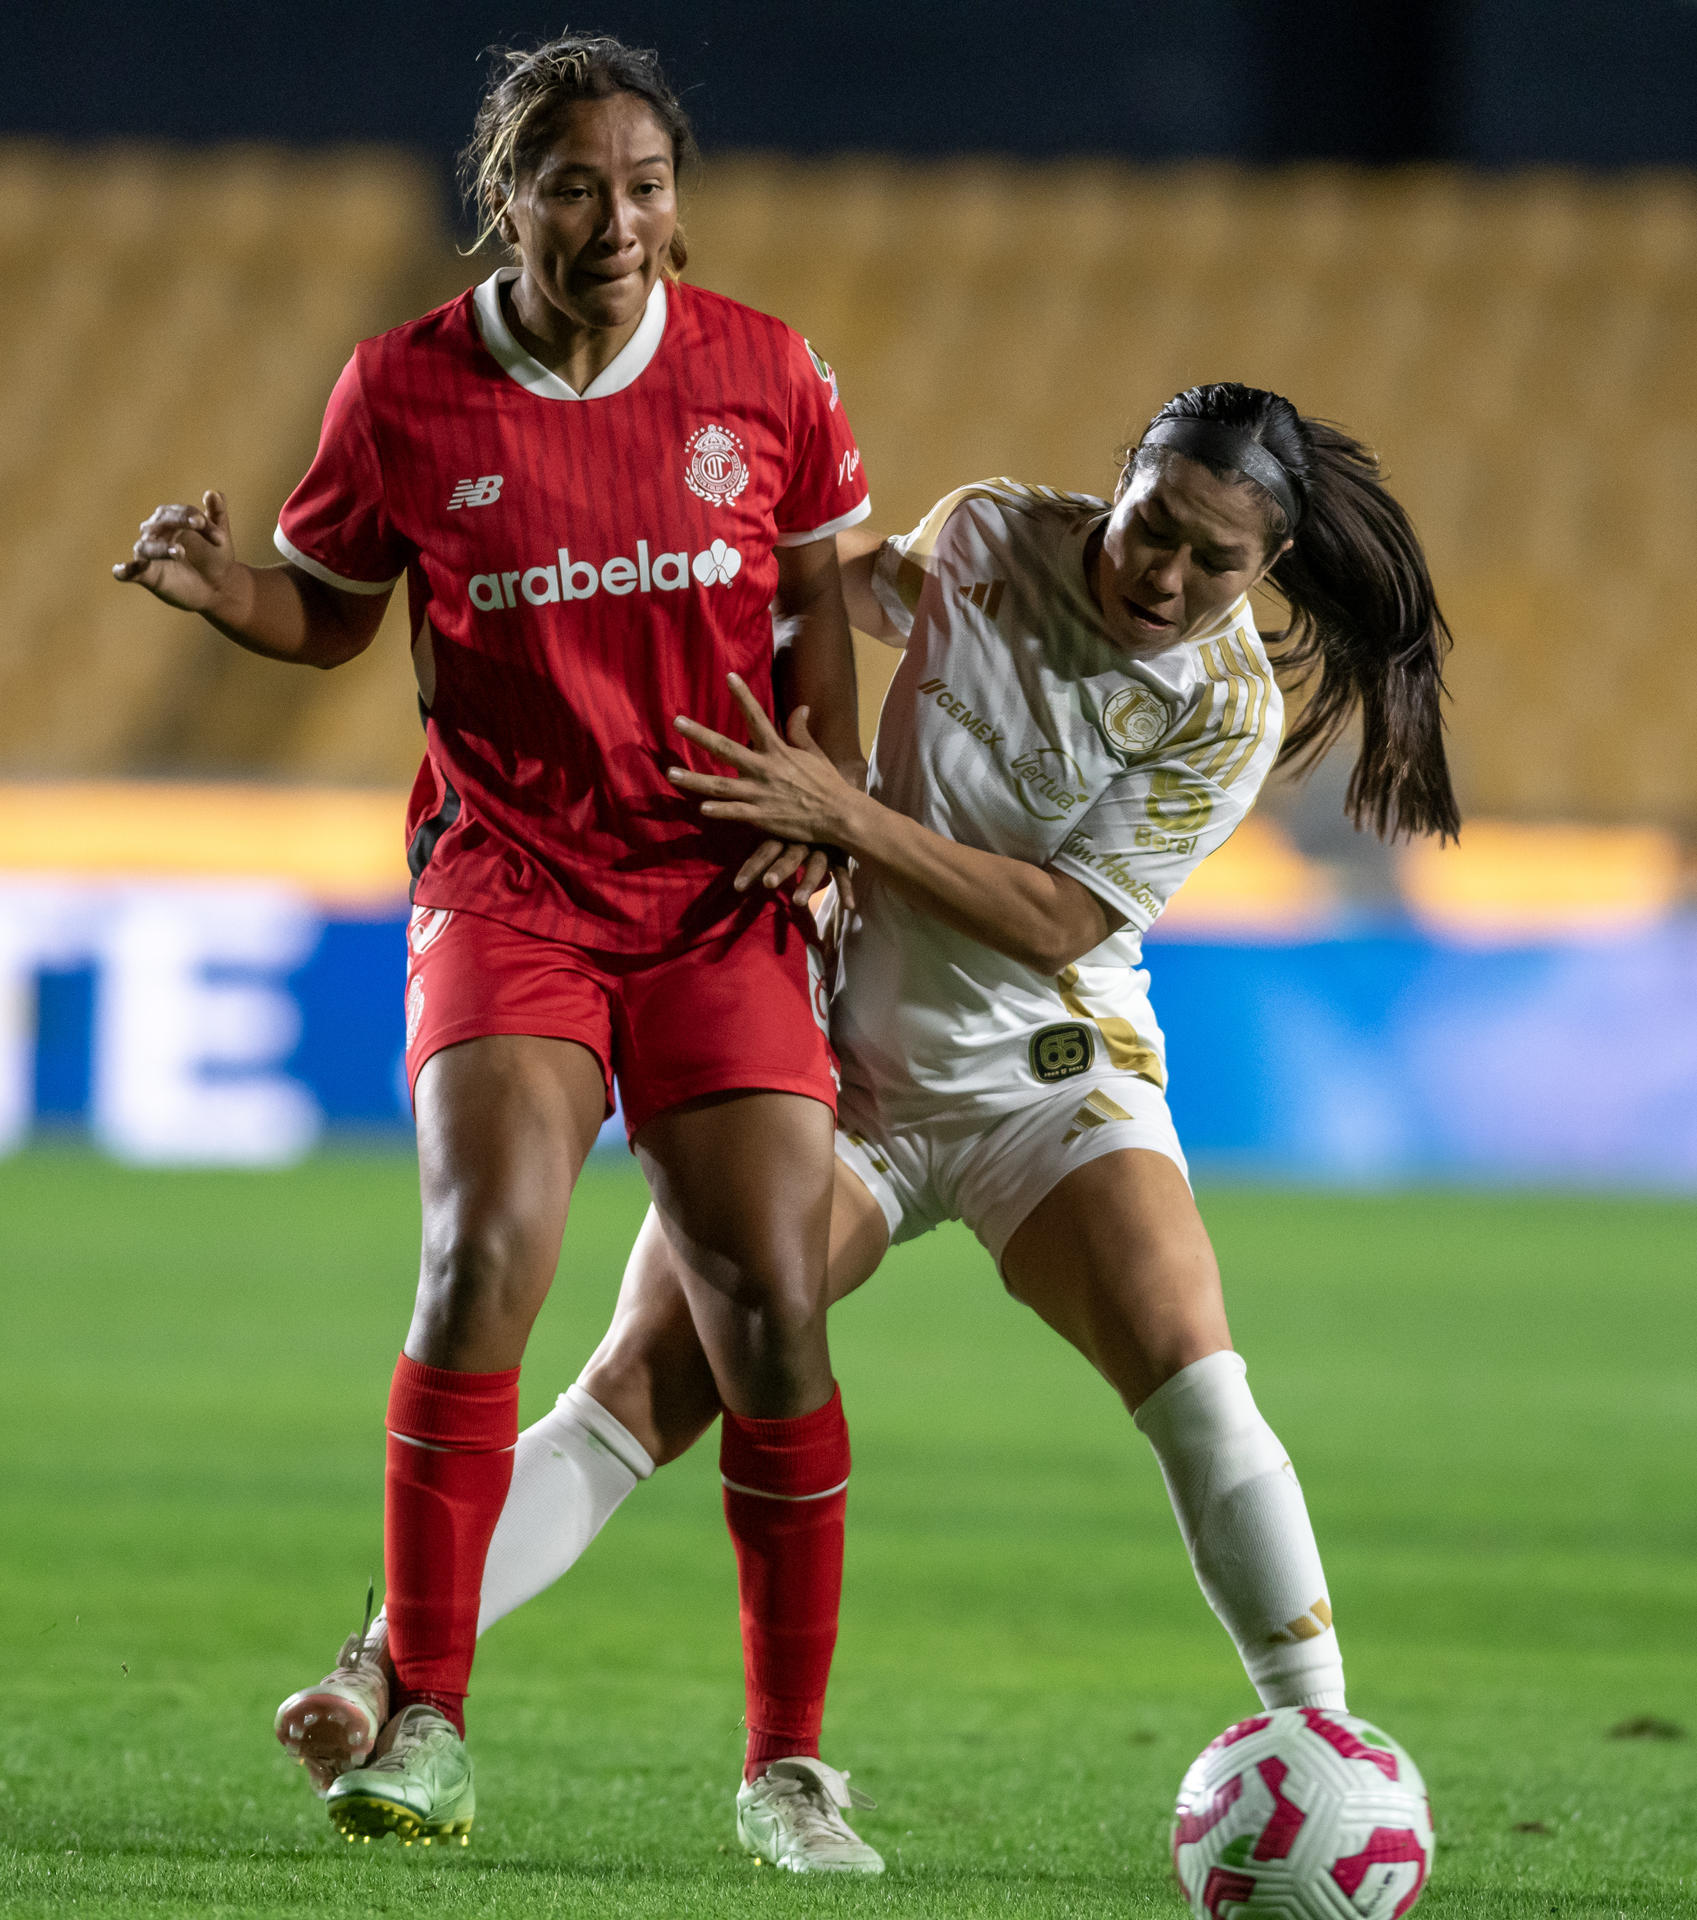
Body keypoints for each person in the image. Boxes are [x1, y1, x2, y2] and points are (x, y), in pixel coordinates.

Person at [269, 380, 1459, 1872]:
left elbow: (1053, 917)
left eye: (1212, 562)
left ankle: (1330, 1747)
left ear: (1261, 569)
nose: (1163, 575)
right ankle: (385, 1662)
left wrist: (847, 818)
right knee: (628, 1401)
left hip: (1047, 1083)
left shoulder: (1225, 712)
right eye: (1153, 527)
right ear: (1121, 484)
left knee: (1195, 1381)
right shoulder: (989, 534)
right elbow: (815, 585)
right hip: (836, 1076)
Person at [113, 31, 877, 1855]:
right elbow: (333, 610)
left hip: (712, 894)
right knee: (485, 1256)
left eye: (645, 185)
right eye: (572, 186)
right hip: (511, 886)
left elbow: (818, 608)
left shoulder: (766, 374)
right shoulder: (400, 392)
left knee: (771, 1302)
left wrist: (826, 795)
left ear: (675, 200)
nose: (615, 220)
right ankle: (427, 1719)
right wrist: (228, 594)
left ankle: (788, 1767)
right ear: (506, 200)